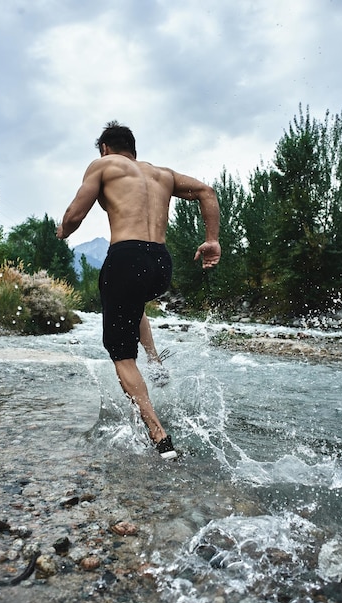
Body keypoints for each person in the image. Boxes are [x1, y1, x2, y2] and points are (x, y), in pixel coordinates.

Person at [57, 121, 221, 459]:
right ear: (134, 150)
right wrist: (212, 240)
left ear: (104, 148)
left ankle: (158, 435)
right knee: (132, 304)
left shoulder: (103, 165)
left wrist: (61, 231)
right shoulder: (163, 174)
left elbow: (76, 214)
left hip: (126, 256)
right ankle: (154, 357)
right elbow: (208, 192)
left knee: (120, 353)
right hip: (160, 264)